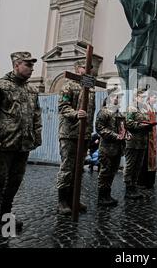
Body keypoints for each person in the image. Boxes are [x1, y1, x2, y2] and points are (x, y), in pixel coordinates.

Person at [0, 52, 42, 232]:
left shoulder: (31, 90)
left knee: (15, 181)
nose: (32, 69)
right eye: (28, 65)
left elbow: (36, 115)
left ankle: (6, 216)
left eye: (32, 65)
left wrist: (36, 136)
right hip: (4, 143)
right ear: (16, 65)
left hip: (23, 144)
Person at [57, 59, 95, 215]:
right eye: (85, 67)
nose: (88, 69)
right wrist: (75, 113)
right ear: (77, 68)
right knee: (67, 167)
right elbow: (63, 107)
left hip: (84, 133)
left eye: (90, 67)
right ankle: (62, 201)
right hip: (70, 133)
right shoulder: (68, 85)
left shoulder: (89, 87)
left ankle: (74, 199)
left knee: (79, 169)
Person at [95, 87, 125, 207]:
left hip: (117, 148)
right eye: (115, 96)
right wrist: (115, 136)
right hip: (107, 149)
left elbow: (123, 128)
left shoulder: (118, 112)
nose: (117, 99)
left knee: (112, 172)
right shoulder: (104, 111)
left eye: (119, 96)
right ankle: (102, 197)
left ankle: (107, 195)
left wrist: (125, 135)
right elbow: (99, 128)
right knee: (105, 172)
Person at [124, 88, 154, 199]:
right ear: (136, 97)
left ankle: (134, 186)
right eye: (142, 97)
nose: (144, 99)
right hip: (132, 142)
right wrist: (143, 126)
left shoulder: (144, 109)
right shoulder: (131, 108)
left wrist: (150, 126)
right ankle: (128, 188)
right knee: (130, 165)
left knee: (138, 166)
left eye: (145, 97)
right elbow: (128, 123)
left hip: (142, 142)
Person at [137, 90, 157, 189]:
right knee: (145, 157)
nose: (155, 99)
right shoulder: (145, 107)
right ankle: (142, 181)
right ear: (149, 98)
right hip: (146, 135)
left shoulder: (153, 108)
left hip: (153, 135)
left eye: (156, 97)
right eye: (154, 97)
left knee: (152, 158)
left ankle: (150, 181)